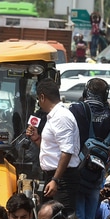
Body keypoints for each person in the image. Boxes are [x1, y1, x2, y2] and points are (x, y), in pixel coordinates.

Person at [69, 78, 110, 219]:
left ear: (86, 92)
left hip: (76, 170)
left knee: (77, 217)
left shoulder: (76, 109)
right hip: (98, 171)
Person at [26, 78, 80, 212]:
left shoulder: (61, 117)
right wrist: (37, 139)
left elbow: (67, 151)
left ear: (42, 97)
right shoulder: (53, 116)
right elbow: (53, 150)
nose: (39, 104)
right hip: (53, 176)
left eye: (38, 99)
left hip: (63, 179)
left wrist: (56, 179)